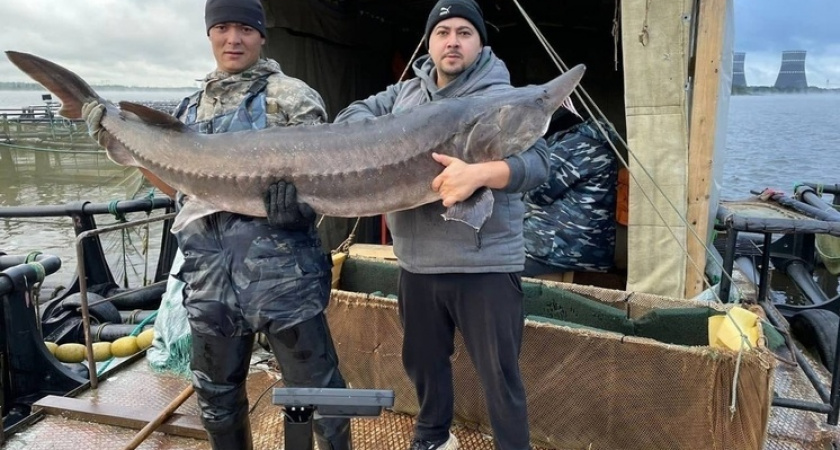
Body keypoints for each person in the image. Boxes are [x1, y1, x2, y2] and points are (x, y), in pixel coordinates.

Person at [82, 1, 351, 449]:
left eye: (245, 28)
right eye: (222, 28)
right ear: (209, 34)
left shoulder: (292, 97)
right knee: (217, 400)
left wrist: (299, 208)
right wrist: (118, 141)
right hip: (210, 283)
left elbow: (328, 178)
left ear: (262, 36)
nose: (233, 39)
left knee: (320, 397)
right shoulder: (188, 109)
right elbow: (179, 189)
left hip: (284, 281)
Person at [334, 1, 549, 449]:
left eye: (465, 33)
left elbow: (539, 162)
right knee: (423, 364)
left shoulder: (500, 97)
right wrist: (379, 137)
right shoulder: (404, 94)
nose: (453, 41)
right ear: (430, 42)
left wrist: (478, 174)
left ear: (480, 44)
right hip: (417, 263)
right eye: (443, 32)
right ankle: (433, 439)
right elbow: (351, 115)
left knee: (499, 374)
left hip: (484, 264)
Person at [522, 118, 618, 277]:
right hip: (592, 253)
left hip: (553, 248)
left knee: (500, 272)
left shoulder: (574, 145)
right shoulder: (608, 155)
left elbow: (539, 190)